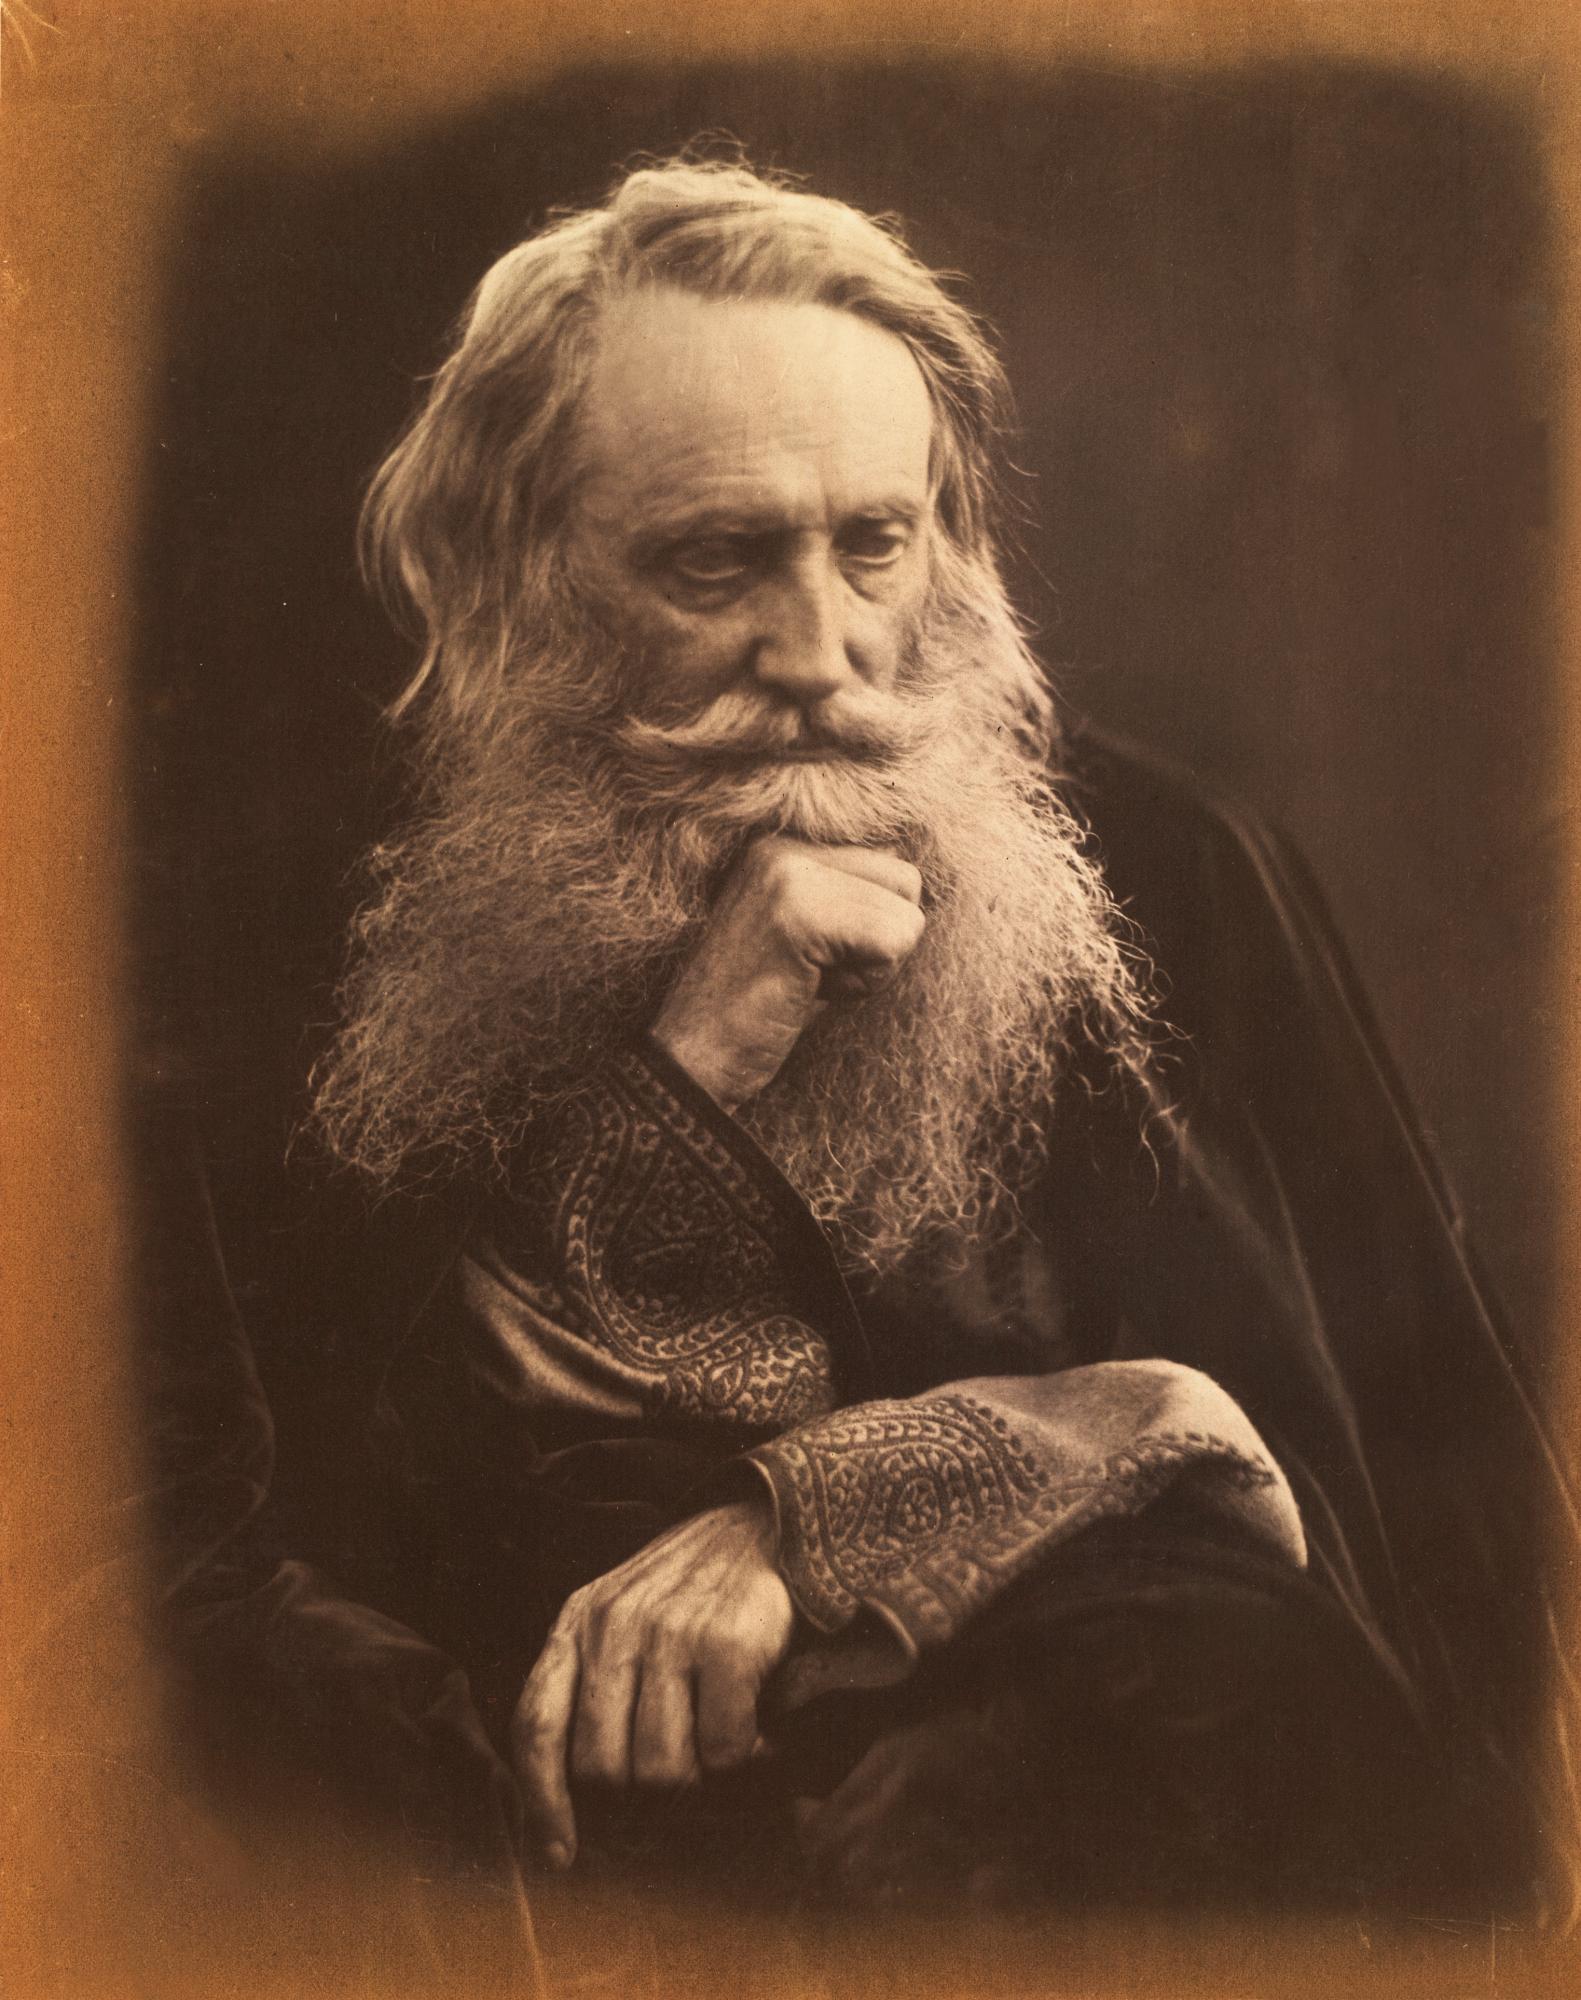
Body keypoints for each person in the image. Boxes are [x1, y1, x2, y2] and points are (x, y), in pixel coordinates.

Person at [146, 156, 1576, 1958]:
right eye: (715, 560)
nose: (821, 656)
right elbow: (324, 1580)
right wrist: (689, 1068)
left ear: (946, 548)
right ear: (512, 581)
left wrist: (825, 1517)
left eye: (873, 544)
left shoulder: (1178, 879)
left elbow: (1390, 1541)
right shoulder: (299, 956)